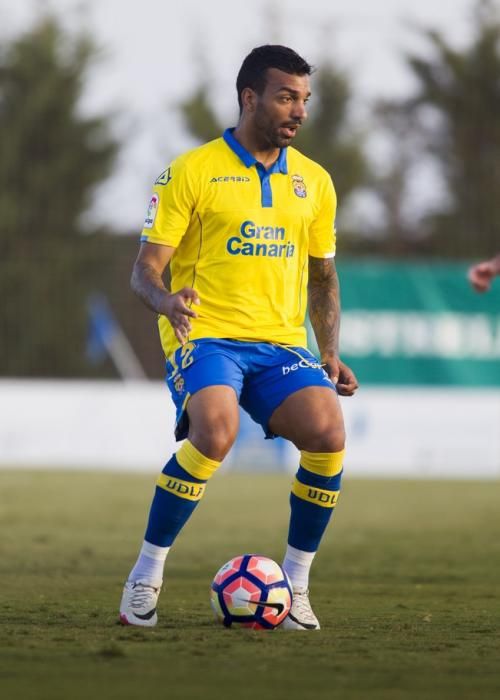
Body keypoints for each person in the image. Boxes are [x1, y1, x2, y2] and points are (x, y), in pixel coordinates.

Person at [119, 44, 358, 631]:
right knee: (216, 433)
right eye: (285, 97)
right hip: (206, 337)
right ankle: (146, 574)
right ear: (249, 98)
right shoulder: (191, 171)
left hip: (280, 343)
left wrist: (328, 351)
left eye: (304, 99)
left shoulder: (315, 182)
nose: (298, 110)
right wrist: (166, 300)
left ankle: (296, 586)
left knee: (328, 434)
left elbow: (321, 275)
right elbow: (144, 270)